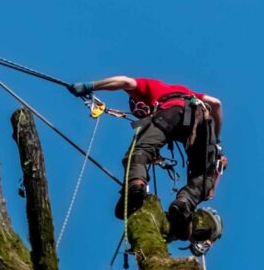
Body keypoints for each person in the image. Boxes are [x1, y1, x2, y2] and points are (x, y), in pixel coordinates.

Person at [67, 76, 225, 240]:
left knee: (139, 152)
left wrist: (90, 86)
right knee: (204, 175)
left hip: (171, 113)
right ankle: (184, 202)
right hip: (201, 120)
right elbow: (216, 103)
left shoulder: (153, 87)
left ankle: (136, 185)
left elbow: (125, 82)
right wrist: (216, 141)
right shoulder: (190, 93)